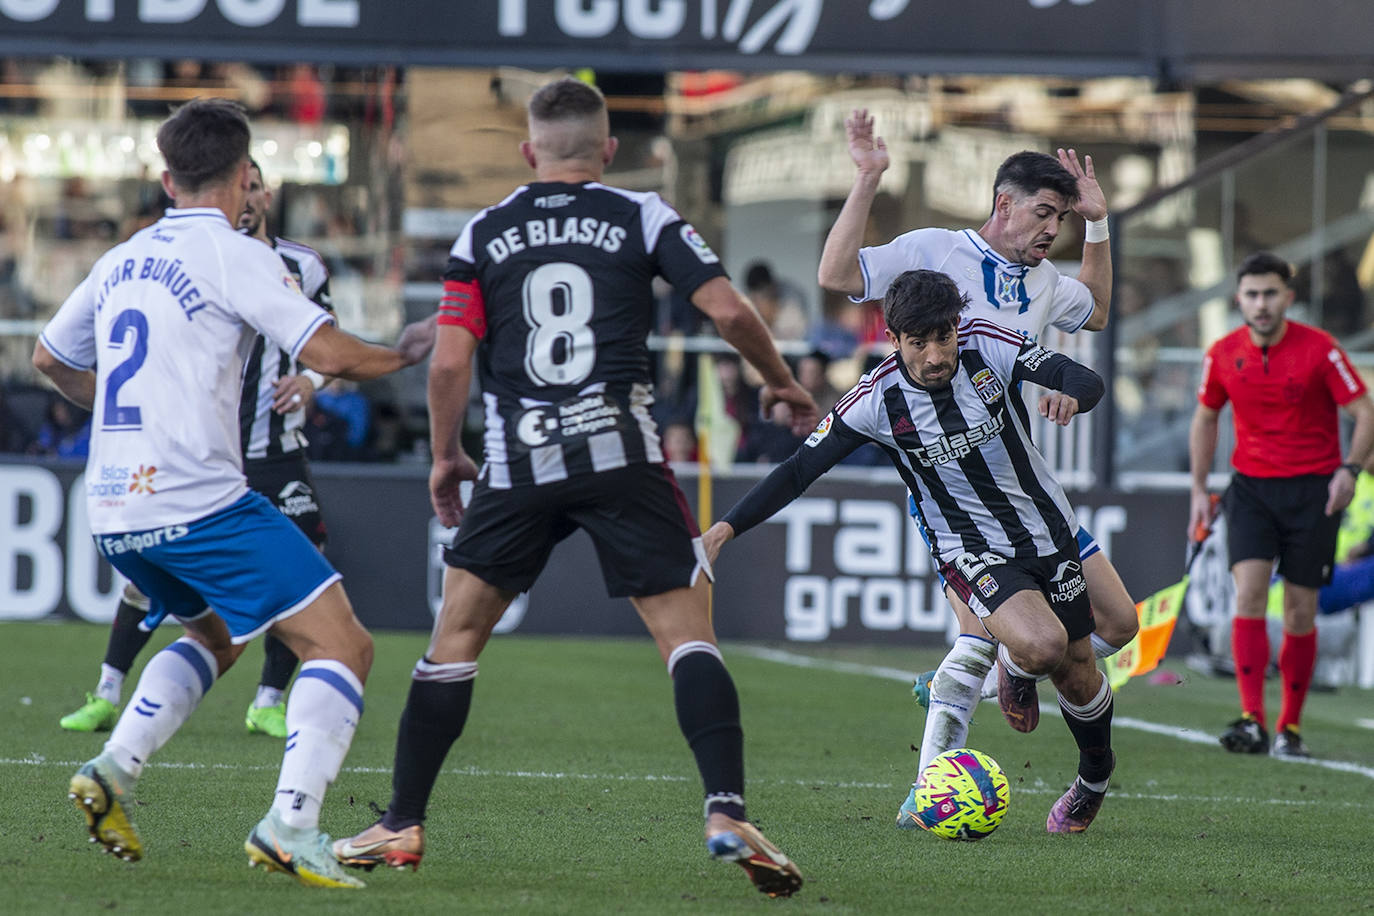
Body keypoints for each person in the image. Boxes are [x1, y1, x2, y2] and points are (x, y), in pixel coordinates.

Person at [330, 77, 815, 897]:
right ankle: (726, 812)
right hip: (621, 454)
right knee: (687, 637)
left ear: (529, 152)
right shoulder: (643, 215)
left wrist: (446, 457)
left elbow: (449, 361)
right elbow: (730, 313)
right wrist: (779, 382)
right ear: (609, 151)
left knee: (455, 640)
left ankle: (402, 821)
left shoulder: (485, 231)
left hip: (519, 462)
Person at [33, 97, 432, 889]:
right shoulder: (235, 253)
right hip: (198, 501)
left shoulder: (121, 258)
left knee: (219, 639)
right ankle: (291, 827)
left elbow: (49, 359)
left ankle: (113, 768)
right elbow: (329, 354)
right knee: (344, 647)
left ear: (166, 180)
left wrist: (122, 421)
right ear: (246, 175)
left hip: (113, 506)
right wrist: (405, 353)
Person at [705, 269, 1117, 834]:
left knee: (1078, 670)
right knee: (1043, 645)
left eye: (943, 338)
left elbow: (1082, 377)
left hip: (1049, 530)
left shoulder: (988, 345)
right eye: (918, 343)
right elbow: (798, 470)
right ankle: (1007, 674)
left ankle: (1094, 777)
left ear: (956, 327)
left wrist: (1071, 395)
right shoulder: (876, 400)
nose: (935, 356)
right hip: (970, 547)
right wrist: (724, 529)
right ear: (893, 339)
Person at [816, 109, 1137, 785]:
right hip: (952, 492)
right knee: (976, 639)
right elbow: (838, 274)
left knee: (1115, 627)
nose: (1052, 230)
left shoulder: (1044, 282)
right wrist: (868, 177)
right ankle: (928, 792)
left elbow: (1099, 311)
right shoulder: (934, 249)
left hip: (1025, 489)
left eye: (1061, 220)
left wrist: (1099, 225)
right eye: (1045, 213)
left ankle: (1009, 672)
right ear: (1003, 204)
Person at [57, 159, 339, 740]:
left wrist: (312, 381)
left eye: (257, 187)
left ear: (266, 195)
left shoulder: (302, 265)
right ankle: (107, 689)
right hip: (198, 453)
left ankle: (268, 700)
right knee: (150, 577)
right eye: (244, 185)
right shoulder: (194, 259)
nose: (249, 197)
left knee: (305, 563)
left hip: (273, 448)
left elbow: (328, 342)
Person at [1188, 251, 1374, 758]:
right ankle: (1253, 720)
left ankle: (1290, 727)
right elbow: (1205, 418)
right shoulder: (1222, 353)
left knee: (1299, 610)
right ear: (1239, 299)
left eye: (1270, 293)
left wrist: (1350, 470)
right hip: (1251, 490)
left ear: (1288, 298)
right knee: (1248, 595)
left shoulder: (1321, 349)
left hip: (1313, 492)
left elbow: (1365, 411)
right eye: (1252, 294)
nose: (1261, 304)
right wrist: (1199, 491)